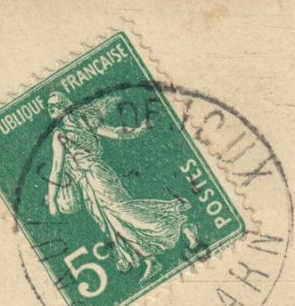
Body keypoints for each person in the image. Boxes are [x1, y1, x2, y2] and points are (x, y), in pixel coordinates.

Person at [44, 91, 200, 282]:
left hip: (97, 176)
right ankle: (150, 259)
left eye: (54, 106)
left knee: (123, 212)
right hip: (89, 183)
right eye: (49, 108)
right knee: (114, 222)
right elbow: (59, 167)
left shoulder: (64, 133)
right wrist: (138, 130)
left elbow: (57, 168)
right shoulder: (78, 127)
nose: (50, 110)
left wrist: (52, 200)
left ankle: (180, 222)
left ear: (65, 106)